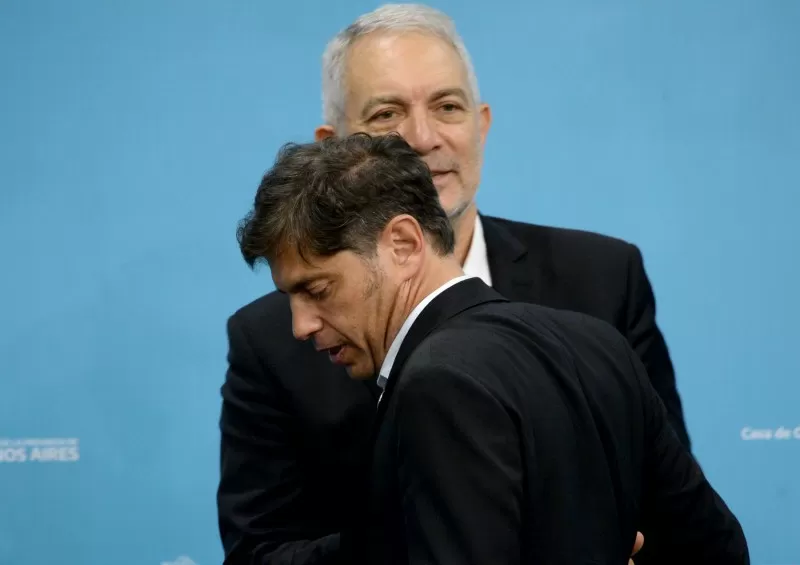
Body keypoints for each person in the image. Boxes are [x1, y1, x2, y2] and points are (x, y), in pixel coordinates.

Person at [217, 4, 691, 564]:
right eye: (387, 113)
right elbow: (259, 553)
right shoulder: (271, 339)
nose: (422, 138)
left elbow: (674, 509)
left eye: (447, 106)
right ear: (334, 145)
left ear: (481, 124)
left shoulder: (603, 281)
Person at [234, 132, 749, 565]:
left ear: (404, 244)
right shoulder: (598, 343)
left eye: (317, 289)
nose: (300, 326)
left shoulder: (438, 383)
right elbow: (718, 549)